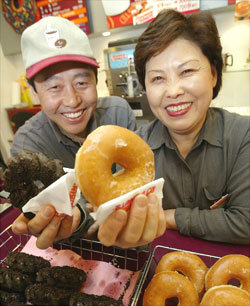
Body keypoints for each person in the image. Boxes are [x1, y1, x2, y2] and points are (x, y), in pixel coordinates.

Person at [11, 15, 166, 249]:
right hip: (69, 248)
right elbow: (46, 209)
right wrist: (80, 217)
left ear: (96, 80)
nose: (72, 100)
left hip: (127, 241)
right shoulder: (28, 144)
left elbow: (137, 184)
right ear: (33, 91)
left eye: (81, 83)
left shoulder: (118, 113)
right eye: (54, 86)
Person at [133, 9, 249, 245]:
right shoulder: (134, 149)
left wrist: (169, 216)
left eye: (186, 71)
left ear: (214, 75)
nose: (173, 91)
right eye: (157, 78)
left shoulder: (242, 136)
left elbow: (246, 223)